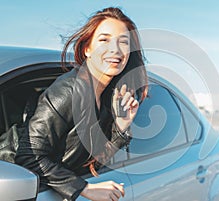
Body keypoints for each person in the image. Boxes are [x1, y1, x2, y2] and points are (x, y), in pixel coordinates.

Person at [15, 7, 148, 201]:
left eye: (124, 42)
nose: (115, 50)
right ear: (87, 49)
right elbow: (28, 156)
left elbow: (93, 162)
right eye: (104, 40)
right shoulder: (68, 91)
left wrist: (120, 126)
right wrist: (83, 188)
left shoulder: (108, 98)